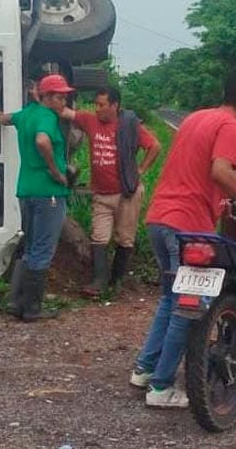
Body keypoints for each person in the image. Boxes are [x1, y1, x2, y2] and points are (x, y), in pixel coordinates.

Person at [130, 67, 236, 408]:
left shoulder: (195, 118)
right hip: (189, 227)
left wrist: (220, 202)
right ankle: (160, 388)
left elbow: (194, 170)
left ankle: (144, 369)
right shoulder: (233, 127)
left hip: (159, 218)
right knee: (189, 308)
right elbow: (220, 171)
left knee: (169, 299)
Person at [0, 73, 74, 321]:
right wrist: (56, 172)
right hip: (49, 192)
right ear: (46, 97)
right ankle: (32, 308)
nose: (63, 102)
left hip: (26, 190)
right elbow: (42, 141)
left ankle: (16, 302)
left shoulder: (26, 114)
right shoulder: (47, 117)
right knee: (42, 249)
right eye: (59, 97)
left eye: (64, 97)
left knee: (30, 247)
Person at [60, 87, 161, 296]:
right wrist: (42, 99)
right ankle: (99, 281)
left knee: (125, 238)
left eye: (102, 105)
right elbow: (64, 112)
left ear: (115, 105)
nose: (97, 109)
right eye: (96, 104)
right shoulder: (90, 121)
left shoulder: (129, 126)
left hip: (127, 192)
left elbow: (155, 146)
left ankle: (116, 281)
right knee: (99, 236)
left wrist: (141, 169)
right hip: (101, 193)